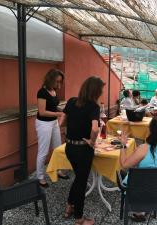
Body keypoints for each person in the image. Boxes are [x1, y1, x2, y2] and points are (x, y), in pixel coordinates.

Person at [60, 76, 105, 225]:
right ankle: (79, 218)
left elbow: (61, 123)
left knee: (79, 179)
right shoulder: (93, 106)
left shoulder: (72, 101)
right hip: (83, 150)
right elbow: (95, 128)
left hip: (69, 147)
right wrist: (92, 141)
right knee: (81, 181)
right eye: (101, 90)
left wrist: (73, 125)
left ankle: (69, 206)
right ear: (96, 91)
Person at [119, 118, 157, 221]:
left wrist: (123, 145)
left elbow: (124, 164)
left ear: (152, 131)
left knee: (123, 173)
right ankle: (141, 211)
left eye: (148, 128)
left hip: (138, 193)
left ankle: (139, 210)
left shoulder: (144, 148)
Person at [35, 69, 69, 188]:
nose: (58, 85)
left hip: (53, 122)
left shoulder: (53, 91)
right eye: (57, 82)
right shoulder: (42, 92)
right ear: (50, 79)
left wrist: (62, 111)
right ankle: (40, 177)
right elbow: (42, 112)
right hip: (43, 124)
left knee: (58, 148)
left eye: (60, 82)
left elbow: (53, 107)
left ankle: (58, 170)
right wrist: (59, 114)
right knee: (43, 151)